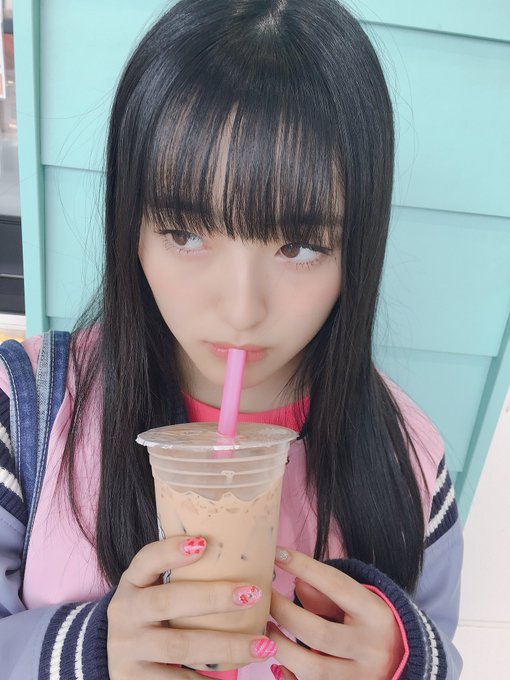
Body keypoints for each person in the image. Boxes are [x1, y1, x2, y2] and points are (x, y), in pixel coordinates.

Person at [0, 1, 463, 678]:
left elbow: (442, 643)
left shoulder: (411, 459)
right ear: (130, 226)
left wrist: (405, 660)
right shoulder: (23, 412)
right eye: (186, 233)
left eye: (299, 246)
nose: (242, 309)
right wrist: (87, 651)